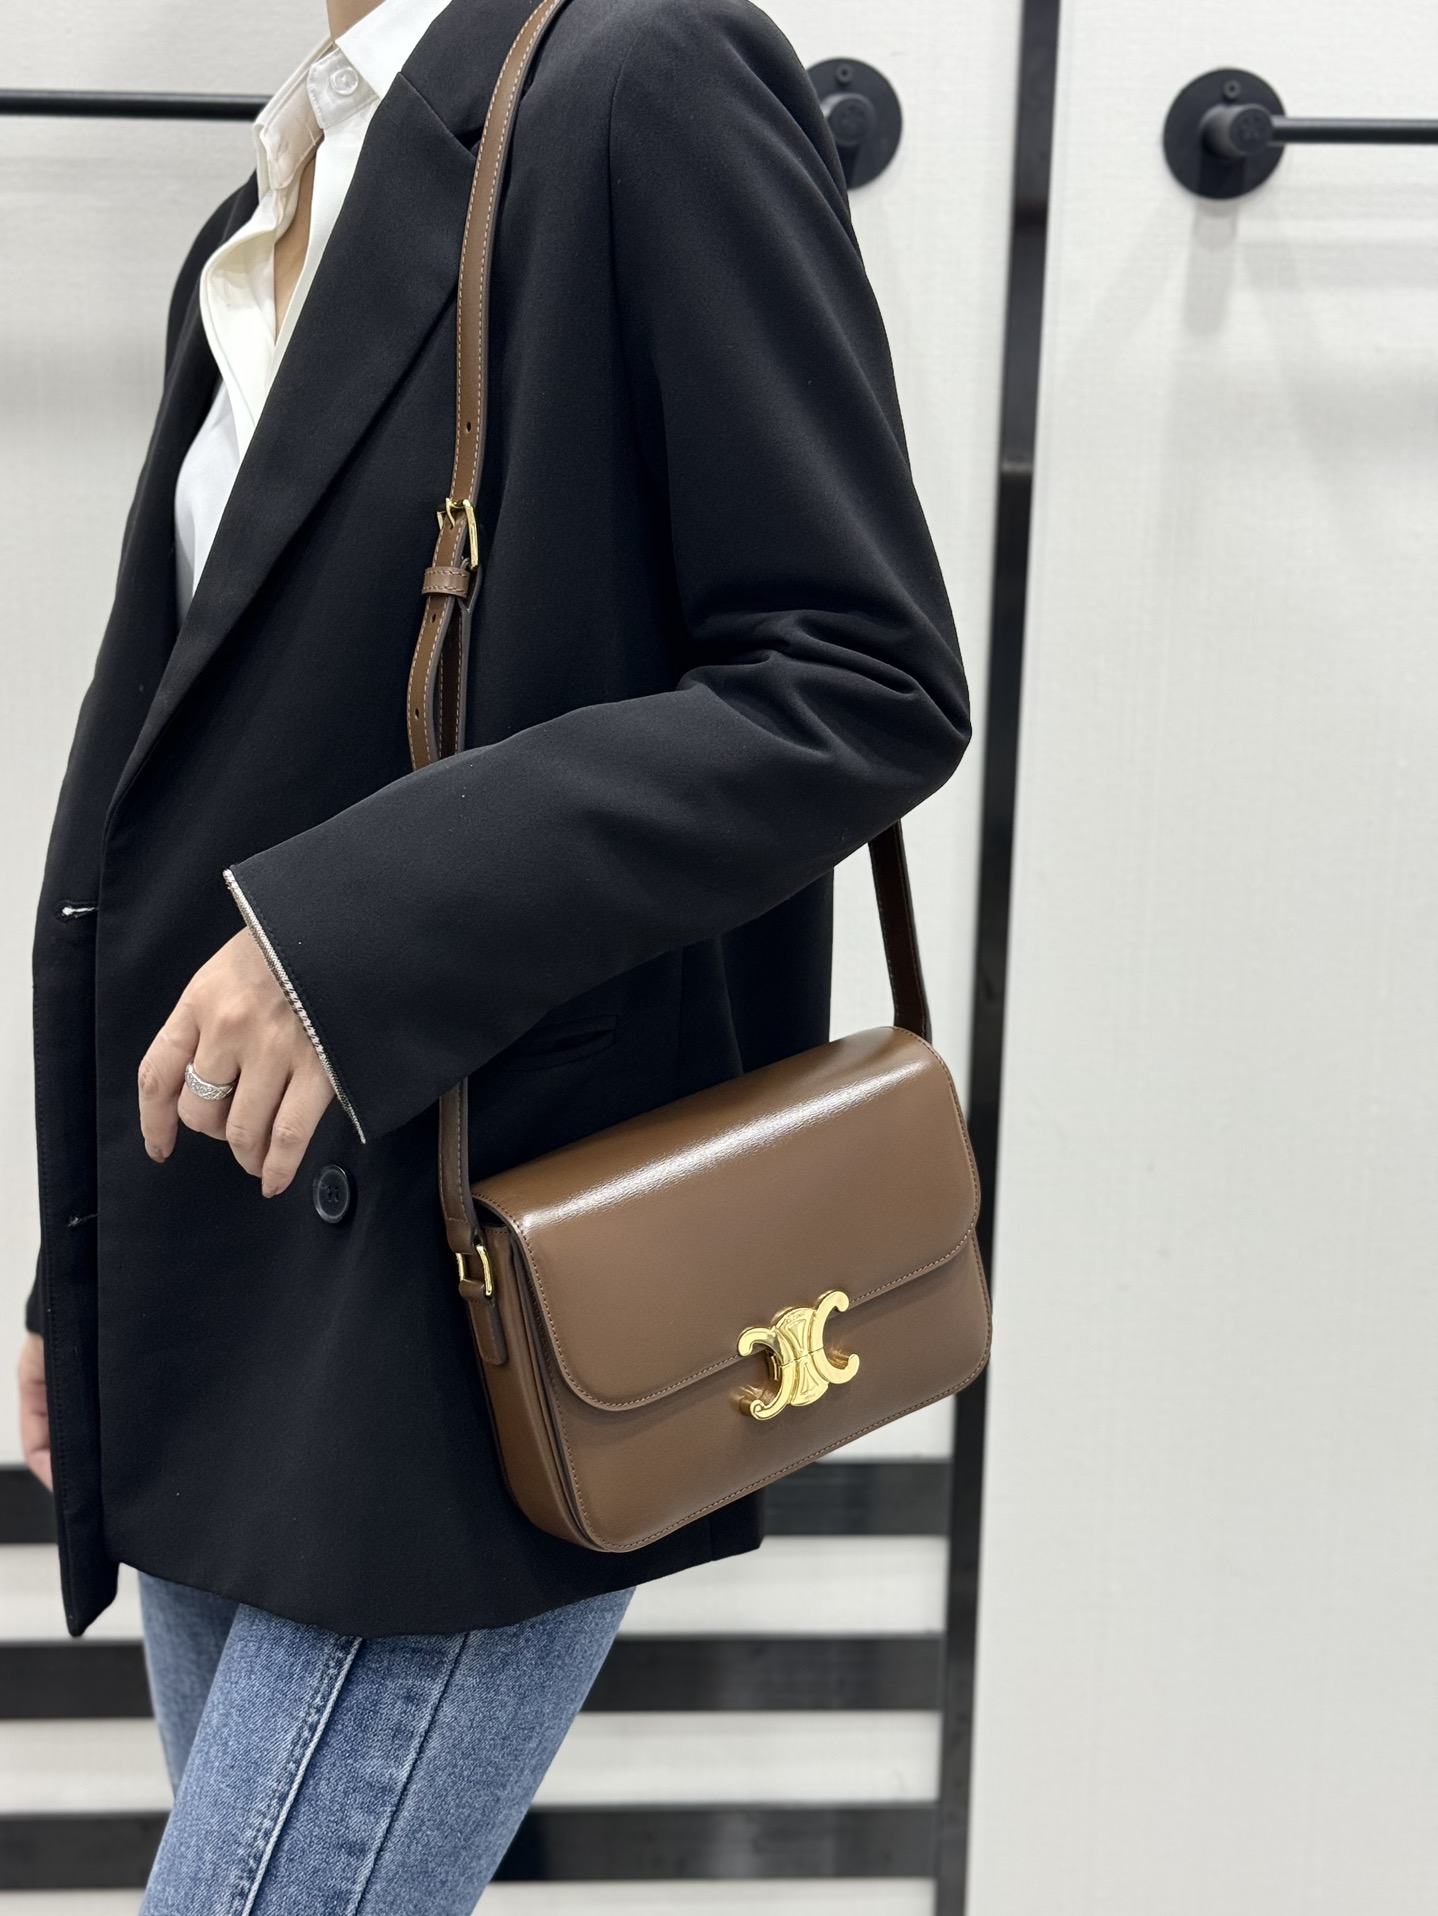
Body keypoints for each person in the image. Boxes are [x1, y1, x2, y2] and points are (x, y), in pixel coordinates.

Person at [17, 0, 971, 1904]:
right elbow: (202, 766)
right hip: (233, 1254)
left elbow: (856, 681)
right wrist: (90, 1261)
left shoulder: (643, 74)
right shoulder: (285, 186)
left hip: (472, 1271)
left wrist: (345, 937)